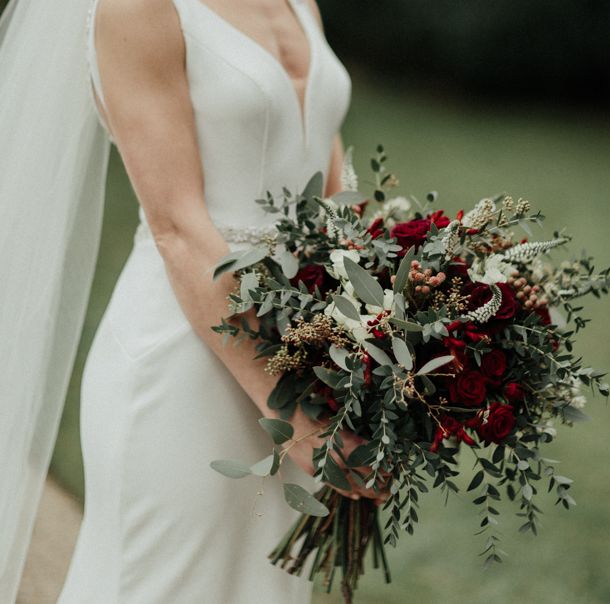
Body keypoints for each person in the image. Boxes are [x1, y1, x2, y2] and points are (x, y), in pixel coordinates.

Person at [0, 0, 388, 601]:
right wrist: (300, 425)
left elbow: (336, 194)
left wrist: (385, 347)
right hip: (186, 359)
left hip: (305, 353)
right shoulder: (135, 10)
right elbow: (177, 228)